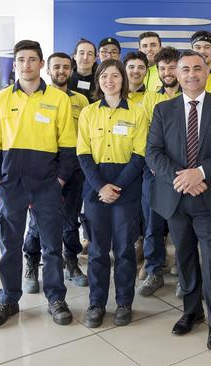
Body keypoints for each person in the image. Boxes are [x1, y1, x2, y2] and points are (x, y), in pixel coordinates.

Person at [146, 49, 211, 351]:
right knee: (184, 258)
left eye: (197, 68)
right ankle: (191, 311)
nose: (191, 74)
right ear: (176, 72)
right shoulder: (163, 109)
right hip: (175, 197)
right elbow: (153, 153)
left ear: (207, 69)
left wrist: (199, 174)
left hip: (210, 197)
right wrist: (182, 176)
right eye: (184, 69)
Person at [0, 40, 76, 328]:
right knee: (10, 245)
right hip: (12, 185)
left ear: (40, 64)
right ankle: (9, 299)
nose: (26, 64)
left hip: (47, 184)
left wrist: (58, 181)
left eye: (32, 59)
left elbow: (69, 149)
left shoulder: (59, 99)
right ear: (16, 63)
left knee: (51, 246)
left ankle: (56, 298)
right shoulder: (1, 99)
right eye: (21, 59)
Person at [77, 59, 147, 328]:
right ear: (98, 80)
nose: (109, 80)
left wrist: (116, 186)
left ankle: (124, 304)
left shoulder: (137, 113)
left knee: (125, 250)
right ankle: (96, 303)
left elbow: (139, 155)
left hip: (126, 190)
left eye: (115, 75)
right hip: (96, 188)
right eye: (104, 76)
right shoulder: (88, 113)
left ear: (123, 80)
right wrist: (101, 187)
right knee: (96, 251)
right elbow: (83, 154)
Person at [22, 52, 89, 294]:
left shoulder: (81, 101)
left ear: (71, 70)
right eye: (56, 67)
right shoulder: (36, 99)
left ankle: (70, 261)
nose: (61, 71)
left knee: (71, 221)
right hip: (43, 171)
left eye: (65, 67)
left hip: (73, 170)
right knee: (37, 222)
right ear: (47, 70)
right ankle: (31, 262)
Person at [137, 46, 182, 296]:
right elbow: (144, 136)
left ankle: (185, 271)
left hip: (183, 171)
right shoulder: (150, 98)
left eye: (171, 67)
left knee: (181, 223)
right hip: (154, 171)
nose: (167, 72)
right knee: (153, 223)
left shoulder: (191, 96)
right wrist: (154, 165)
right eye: (162, 68)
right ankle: (154, 270)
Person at [69, 38, 97, 102]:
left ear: (95, 58)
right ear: (75, 56)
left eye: (90, 54)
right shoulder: (65, 80)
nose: (85, 58)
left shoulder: (101, 82)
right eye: (82, 53)